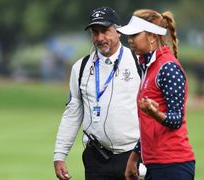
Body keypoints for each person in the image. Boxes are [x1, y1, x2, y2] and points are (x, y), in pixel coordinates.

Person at [53, 7, 141, 180]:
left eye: (105, 31)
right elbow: (73, 113)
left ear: (118, 31)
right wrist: (59, 155)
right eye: (95, 32)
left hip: (132, 155)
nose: (100, 38)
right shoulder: (81, 67)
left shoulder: (138, 62)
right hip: (96, 158)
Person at [117, 9, 196, 180]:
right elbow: (149, 127)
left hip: (173, 165)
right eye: (129, 36)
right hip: (155, 164)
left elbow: (175, 119)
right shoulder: (148, 66)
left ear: (152, 36)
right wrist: (134, 157)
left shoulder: (167, 67)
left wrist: (155, 113)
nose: (129, 40)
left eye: (135, 35)